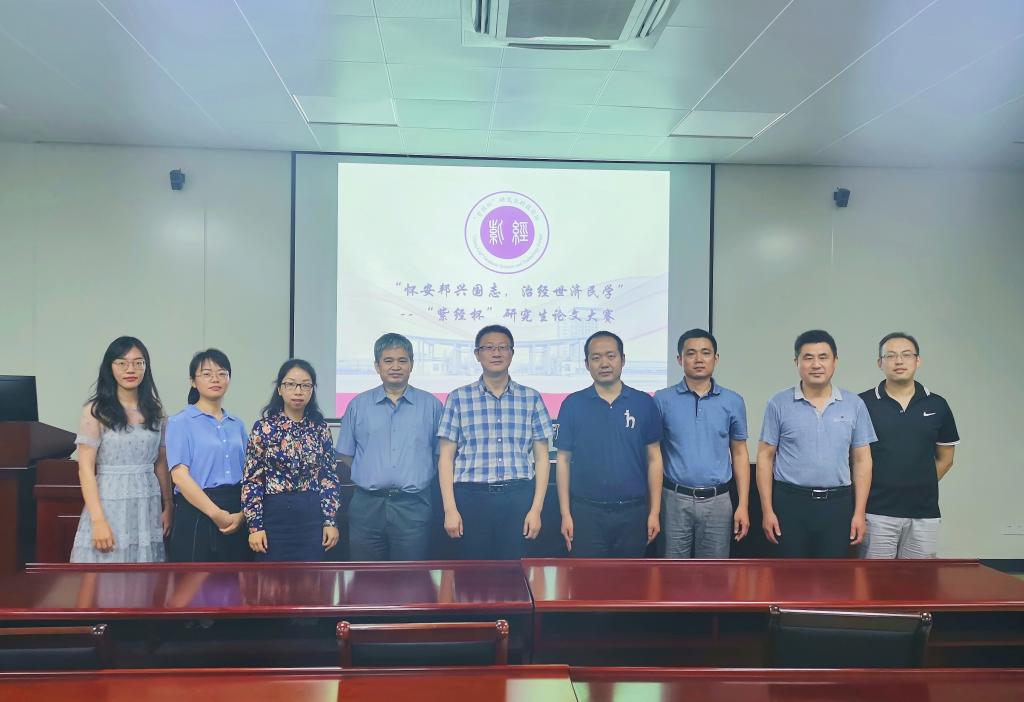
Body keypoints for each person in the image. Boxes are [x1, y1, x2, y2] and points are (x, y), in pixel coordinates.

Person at [437, 325, 554, 560]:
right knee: (472, 574)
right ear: (477, 354)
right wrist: (450, 509)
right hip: (471, 498)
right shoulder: (458, 398)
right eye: (489, 347)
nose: (496, 353)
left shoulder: (531, 398)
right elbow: (446, 459)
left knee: (514, 571)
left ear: (512, 353)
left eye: (503, 347)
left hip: (518, 497)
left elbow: (542, 459)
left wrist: (536, 509)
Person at [757, 330, 876, 558]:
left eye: (823, 357)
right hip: (790, 503)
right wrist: (767, 510)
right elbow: (765, 457)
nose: (816, 365)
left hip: (837, 505)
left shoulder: (854, 404)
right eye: (808, 358)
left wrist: (859, 512)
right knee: (789, 574)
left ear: (835, 361)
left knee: (834, 576)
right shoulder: (778, 403)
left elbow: (862, 460)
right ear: (797, 362)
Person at [555, 331, 663, 558]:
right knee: (587, 578)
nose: (604, 363)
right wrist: (565, 514)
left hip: (633, 513)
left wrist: (654, 512)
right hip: (586, 513)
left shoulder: (643, 403)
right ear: (587, 364)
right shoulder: (573, 404)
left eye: (611, 356)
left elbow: (654, 458)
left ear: (623, 360)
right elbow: (563, 461)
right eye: (596, 358)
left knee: (630, 579)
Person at [337, 333, 442, 561]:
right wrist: (373, 472)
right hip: (367, 505)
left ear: (412, 364)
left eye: (402, 360)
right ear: (377, 366)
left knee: (410, 577)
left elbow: (439, 454)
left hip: (413, 505)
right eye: (388, 361)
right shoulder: (358, 405)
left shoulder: (432, 405)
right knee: (366, 576)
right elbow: (346, 454)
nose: (396, 367)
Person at [70, 336, 172, 562]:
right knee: (107, 568)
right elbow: (85, 469)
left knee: (145, 572)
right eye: (122, 363)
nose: (130, 369)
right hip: (109, 501)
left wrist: (168, 505)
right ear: (110, 367)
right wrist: (98, 520)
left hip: (147, 502)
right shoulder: (96, 411)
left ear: (146, 367)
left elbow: (161, 462)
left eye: (138, 362)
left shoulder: (156, 411)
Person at [859, 332, 959, 558]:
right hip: (875, 512)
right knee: (875, 578)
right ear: (880, 362)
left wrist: (918, 483)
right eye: (890, 356)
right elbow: (852, 458)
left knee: (919, 578)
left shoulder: (938, 404)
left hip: (924, 513)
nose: (899, 361)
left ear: (918, 360)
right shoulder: (862, 403)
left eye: (906, 355)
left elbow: (946, 458)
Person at [654, 329, 749, 558]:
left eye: (705, 353)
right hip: (674, 499)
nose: (699, 359)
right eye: (691, 353)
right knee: (672, 571)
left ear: (716, 358)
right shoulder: (662, 400)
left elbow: (739, 453)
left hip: (718, 501)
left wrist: (743, 504)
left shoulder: (733, 401)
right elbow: (653, 454)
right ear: (679, 359)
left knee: (714, 573)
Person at [243, 359, 340, 561]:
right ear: (280, 389)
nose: (298, 391)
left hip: (311, 516)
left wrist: (330, 521)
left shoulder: (320, 429)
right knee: (271, 579)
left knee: (311, 578)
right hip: (274, 517)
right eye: (291, 384)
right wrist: (255, 526)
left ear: (312, 390)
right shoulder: (264, 429)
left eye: (305, 385)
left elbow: (328, 477)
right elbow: (253, 479)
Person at [165, 349, 250, 562]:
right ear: (193, 381)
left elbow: (251, 474)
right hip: (197, 511)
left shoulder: (237, 425)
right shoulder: (180, 422)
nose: (215, 379)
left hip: (236, 511)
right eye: (207, 374)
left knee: (237, 580)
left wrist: (242, 514)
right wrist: (216, 514)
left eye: (222, 373)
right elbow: (179, 476)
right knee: (196, 580)